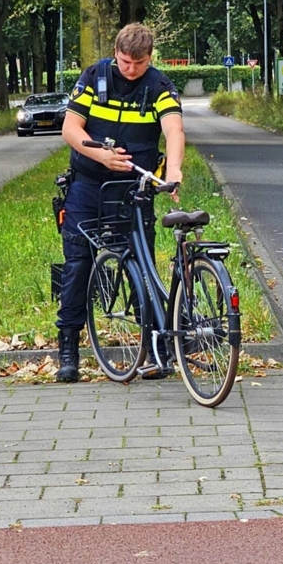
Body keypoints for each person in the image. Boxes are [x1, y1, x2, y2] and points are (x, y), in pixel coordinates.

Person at [56, 23, 185, 382]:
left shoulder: (159, 86)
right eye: (126, 62)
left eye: (139, 63)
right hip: (88, 184)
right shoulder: (94, 76)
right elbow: (71, 129)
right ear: (116, 53)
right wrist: (102, 157)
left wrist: (173, 169)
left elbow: (174, 129)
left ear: (150, 58)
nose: (131, 69)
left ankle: (157, 344)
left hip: (134, 187)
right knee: (78, 263)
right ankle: (69, 349)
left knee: (142, 264)